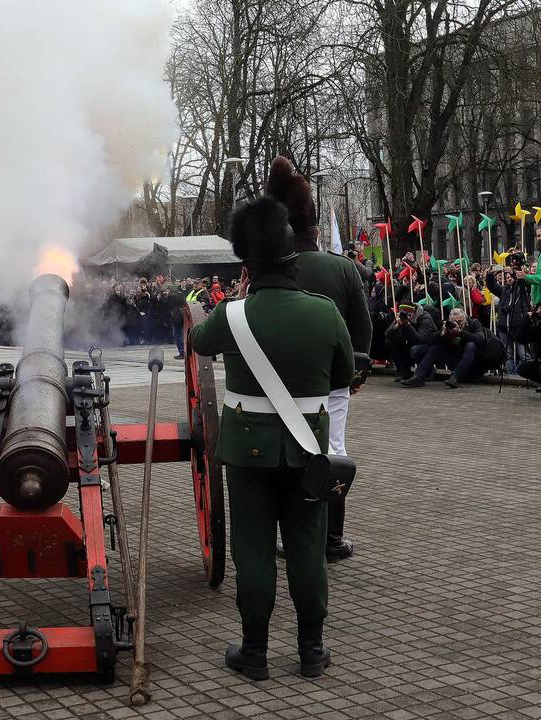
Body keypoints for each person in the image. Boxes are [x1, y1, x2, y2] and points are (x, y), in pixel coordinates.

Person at [188, 195, 354, 682]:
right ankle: (310, 649)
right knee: (306, 546)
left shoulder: (234, 315)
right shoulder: (324, 313)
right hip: (308, 453)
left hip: (247, 455)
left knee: (254, 549)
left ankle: (255, 651)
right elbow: (343, 373)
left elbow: (198, 343)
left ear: (248, 263)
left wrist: (234, 296)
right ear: (292, 259)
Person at [265, 157, 371, 561]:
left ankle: (291, 536)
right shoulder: (342, 268)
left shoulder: (273, 270)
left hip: (279, 383)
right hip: (333, 381)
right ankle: (330, 540)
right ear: (313, 228)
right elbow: (363, 330)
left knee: (289, 457)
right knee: (333, 452)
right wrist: (355, 374)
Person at [400, 307, 486, 388]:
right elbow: (428, 342)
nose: (457, 324)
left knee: (471, 345)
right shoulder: (446, 326)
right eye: (454, 322)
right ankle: (418, 377)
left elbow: (481, 341)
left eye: (460, 321)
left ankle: (455, 377)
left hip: (473, 366)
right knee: (437, 348)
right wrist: (442, 333)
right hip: (455, 361)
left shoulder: (474, 323)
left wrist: (461, 332)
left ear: (465, 319)